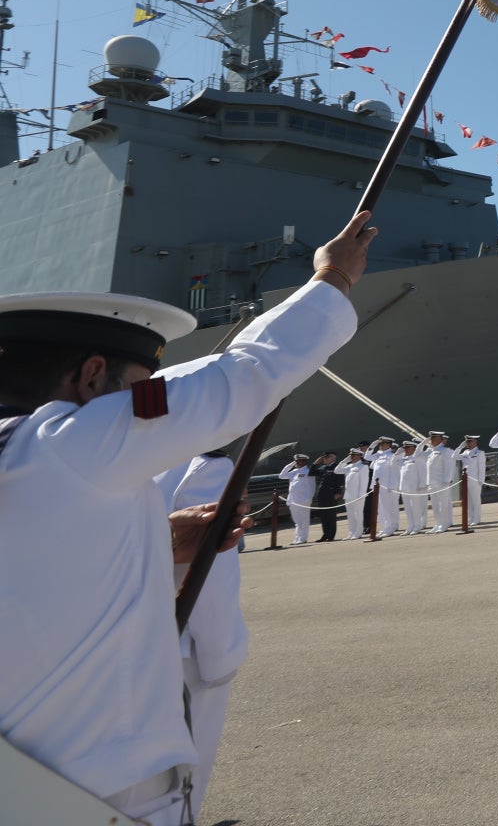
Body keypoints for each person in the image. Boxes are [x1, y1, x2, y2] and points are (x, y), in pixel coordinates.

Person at [0, 211, 372, 822]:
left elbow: (39, 573)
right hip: (94, 796)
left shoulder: (29, 461)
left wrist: (159, 539)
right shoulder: (67, 445)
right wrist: (333, 280)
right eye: (135, 383)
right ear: (94, 376)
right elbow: (244, 375)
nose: (137, 398)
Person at [156, 451, 250, 819]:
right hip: (185, 649)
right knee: (180, 787)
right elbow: (213, 572)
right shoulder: (204, 465)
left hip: (124, 641)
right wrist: (220, 655)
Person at [278, 452, 316, 544]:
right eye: (296, 461)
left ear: (304, 462)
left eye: (299, 461)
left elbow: (312, 486)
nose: (297, 463)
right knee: (297, 521)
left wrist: (309, 499)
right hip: (293, 500)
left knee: (304, 520)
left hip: (303, 500)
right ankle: (297, 538)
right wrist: (290, 464)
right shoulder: (294, 472)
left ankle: (303, 538)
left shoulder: (308, 471)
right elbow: (281, 476)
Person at [424, 431, 458, 532]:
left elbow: (449, 467)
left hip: (441, 483)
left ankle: (443, 524)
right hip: (432, 483)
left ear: (439, 439)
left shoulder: (445, 451)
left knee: (443, 505)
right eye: (431, 438)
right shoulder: (431, 452)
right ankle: (438, 523)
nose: (431, 440)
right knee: (435, 505)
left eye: (433, 438)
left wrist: (447, 481)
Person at [370, 435, 402, 537]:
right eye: (379, 444)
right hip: (378, 486)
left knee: (388, 508)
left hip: (387, 486)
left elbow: (394, 472)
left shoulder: (392, 456)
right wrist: (372, 446)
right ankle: (385, 527)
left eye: (382, 443)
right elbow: (366, 457)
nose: (380, 445)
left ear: (388, 444)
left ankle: (389, 528)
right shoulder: (378, 455)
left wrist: (392, 486)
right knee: (381, 509)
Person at [338, 445, 371, 540]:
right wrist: (344, 461)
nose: (352, 457)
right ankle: (351, 532)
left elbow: (364, 482)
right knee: (351, 514)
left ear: (359, 456)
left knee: (358, 514)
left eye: (354, 455)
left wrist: (361, 495)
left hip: (358, 495)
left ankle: (358, 532)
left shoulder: (363, 467)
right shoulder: (348, 466)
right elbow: (337, 471)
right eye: (351, 455)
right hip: (348, 495)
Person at [397, 438, 427, 534]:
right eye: (405, 448)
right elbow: (393, 462)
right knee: (408, 508)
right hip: (404, 487)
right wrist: (398, 453)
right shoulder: (404, 459)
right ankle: (410, 525)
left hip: (415, 487)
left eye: (407, 448)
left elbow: (422, 471)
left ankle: (417, 526)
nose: (405, 450)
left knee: (416, 507)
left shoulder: (417, 458)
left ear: (414, 448)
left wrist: (422, 484)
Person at [310, 450, 342, 541]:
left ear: (333, 458)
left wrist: (338, 492)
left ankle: (331, 535)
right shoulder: (324, 467)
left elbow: (339, 481)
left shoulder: (337, 466)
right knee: (323, 517)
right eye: (324, 457)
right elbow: (312, 473)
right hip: (322, 495)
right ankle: (325, 535)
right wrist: (315, 463)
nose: (324, 459)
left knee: (331, 516)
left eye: (326, 457)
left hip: (331, 495)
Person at [458, 433, 487, 525]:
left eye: (469, 441)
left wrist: (481, 480)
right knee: (468, 501)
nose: (468, 443)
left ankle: (477, 519)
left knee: (475, 500)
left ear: (475, 442)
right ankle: (470, 518)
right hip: (465, 480)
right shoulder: (465, 453)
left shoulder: (479, 453)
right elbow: (454, 457)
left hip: (475, 480)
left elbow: (481, 467)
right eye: (467, 442)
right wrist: (459, 447)